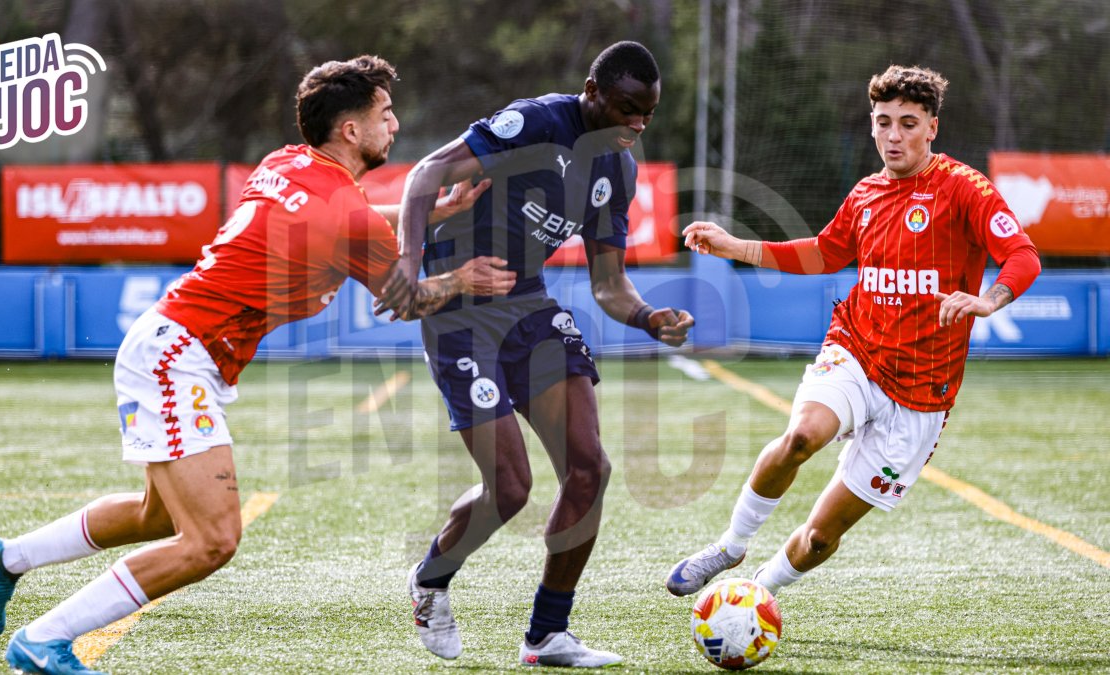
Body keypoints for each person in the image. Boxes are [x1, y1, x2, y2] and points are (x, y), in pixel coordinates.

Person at [0, 55, 515, 675]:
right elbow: (406, 299)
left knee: (158, 515)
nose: (395, 123)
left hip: (170, 343)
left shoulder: (286, 162)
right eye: (385, 114)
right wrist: (463, 277)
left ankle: (3, 560)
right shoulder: (346, 210)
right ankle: (44, 639)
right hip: (179, 356)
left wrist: (430, 214)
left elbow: (346, 223)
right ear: (351, 131)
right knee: (212, 541)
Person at [668, 65, 1040, 600]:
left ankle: (756, 594)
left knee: (819, 537)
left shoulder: (963, 189)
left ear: (933, 127)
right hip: (858, 351)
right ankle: (730, 546)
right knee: (801, 436)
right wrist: (737, 247)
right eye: (884, 122)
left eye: (908, 123)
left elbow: (1022, 256)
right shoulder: (866, 193)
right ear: (871, 124)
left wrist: (989, 299)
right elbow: (825, 251)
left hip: (922, 395)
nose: (894, 136)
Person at [379, 41, 694, 668]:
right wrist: (410, 271)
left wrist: (647, 316)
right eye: (627, 109)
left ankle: (547, 634)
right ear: (592, 92)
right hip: (460, 308)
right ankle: (431, 580)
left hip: (529, 305)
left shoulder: (619, 171)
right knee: (511, 488)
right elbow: (424, 176)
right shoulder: (538, 122)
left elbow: (608, 283)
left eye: (648, 115)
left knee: (589, 469)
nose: (637, 124)